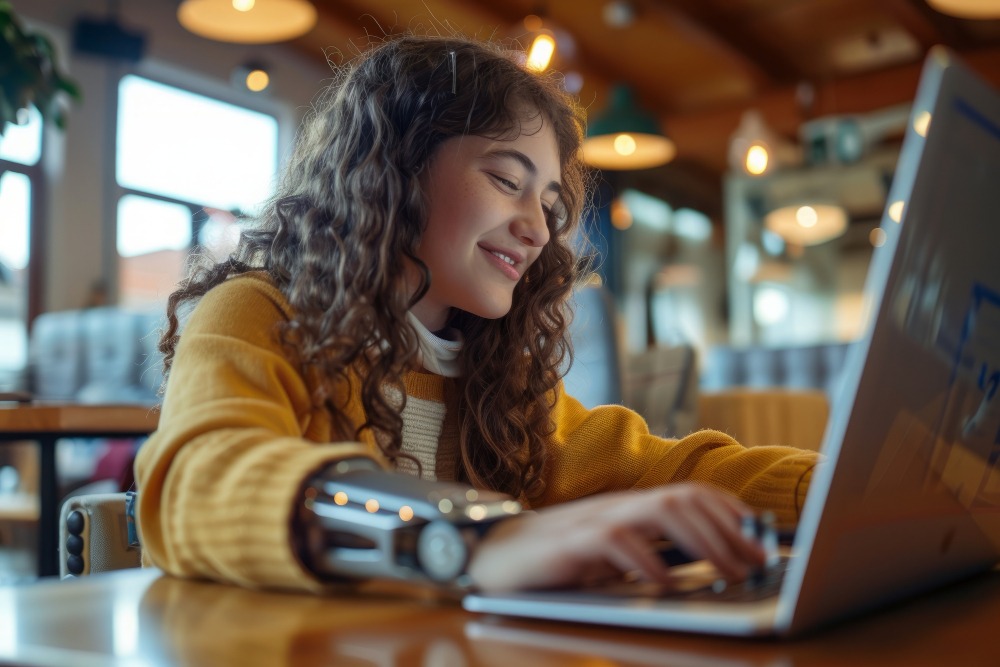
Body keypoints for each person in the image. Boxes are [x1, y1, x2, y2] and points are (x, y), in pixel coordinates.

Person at [134, 34, 818, 594]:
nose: (539, 229)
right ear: (395, 170)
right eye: (505, 180)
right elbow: (198, 479)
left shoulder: (497, 380)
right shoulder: (257, 316)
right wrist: (467, 535)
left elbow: (672, 470)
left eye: (547, 203)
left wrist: (843, 488)